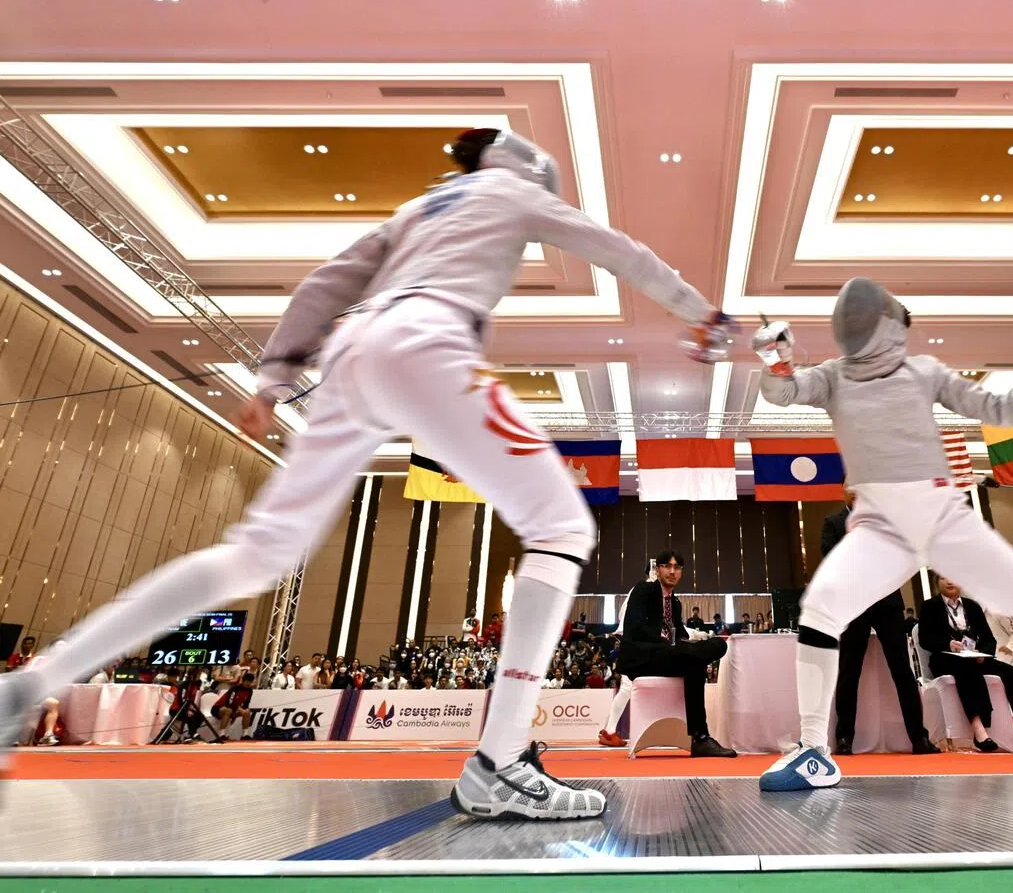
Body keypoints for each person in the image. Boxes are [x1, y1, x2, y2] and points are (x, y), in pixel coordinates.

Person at [0, 127, 734, 822]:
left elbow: (330, 280)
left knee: (256, 553)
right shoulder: (516, 193)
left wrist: (274, 374)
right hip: (427, 340)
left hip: (354, 349)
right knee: (564, 525)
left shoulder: (421, 206)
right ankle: (501, 763)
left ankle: (31, 683)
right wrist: (703, 315)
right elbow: (623, 253)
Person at [753, 277, 1013, 792]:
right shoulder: (834, 376)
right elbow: (783, 394)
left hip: (943, 517)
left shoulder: (923, 370)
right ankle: (815, 751)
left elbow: (996, 411)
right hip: (879, 526)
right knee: (820, 611)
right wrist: (775, 360)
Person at [822, 498, 939, 756]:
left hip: (887, 602)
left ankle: (919, 737)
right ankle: (844, 738)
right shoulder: (833, 522)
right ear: (845, 493)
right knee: (849, 672)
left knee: (902, 671)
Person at [616, 549, 735, 757]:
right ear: (658, 569)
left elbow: (679, 635)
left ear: (681, 572)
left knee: (716, 646)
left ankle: (700, 738)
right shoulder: (643, 590)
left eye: (677, 567)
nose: (672, 571)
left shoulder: (675, 603)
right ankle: (701, 738)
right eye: (667, 566)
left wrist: (684, 644)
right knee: (694, 658)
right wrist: (671, 645)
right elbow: (634, 629)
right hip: (642, 656)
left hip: (667, 656)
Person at [919, 578, 1013, 753]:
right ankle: (979, 729)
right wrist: (948, 644)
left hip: (975, 658)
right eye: (944, 577)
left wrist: (983, 653)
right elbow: (925, 639)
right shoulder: (930, 607)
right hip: (945, 659)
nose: (950, 581)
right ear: (937, 582)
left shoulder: (973, 607)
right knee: (966, 669)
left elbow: (989, 639)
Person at [599, 561, 657, 748]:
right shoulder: (643, 589)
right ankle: (608, 732)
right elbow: (625, 618)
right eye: (655, 569)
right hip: (634, 642)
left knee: (633, 688)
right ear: (650, 572)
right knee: (626, 688)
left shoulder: (650, 591)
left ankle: (609, 730)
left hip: (638, 642)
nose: (659, 572)